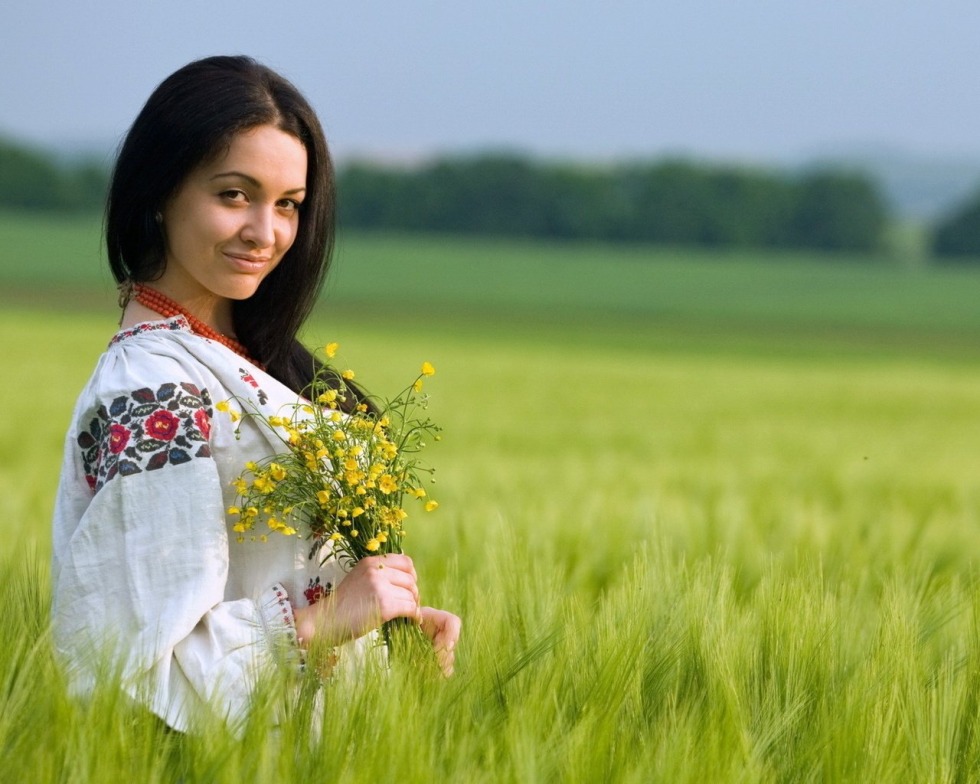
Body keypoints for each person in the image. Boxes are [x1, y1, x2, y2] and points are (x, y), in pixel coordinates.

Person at [51, 55, 461, 732]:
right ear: (160, 191)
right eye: (233, 195)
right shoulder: (155, 392)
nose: (265, 234)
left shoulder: (249, 360)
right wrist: (328, 621)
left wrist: (388, 632)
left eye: (288, 205)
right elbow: (137, 669)